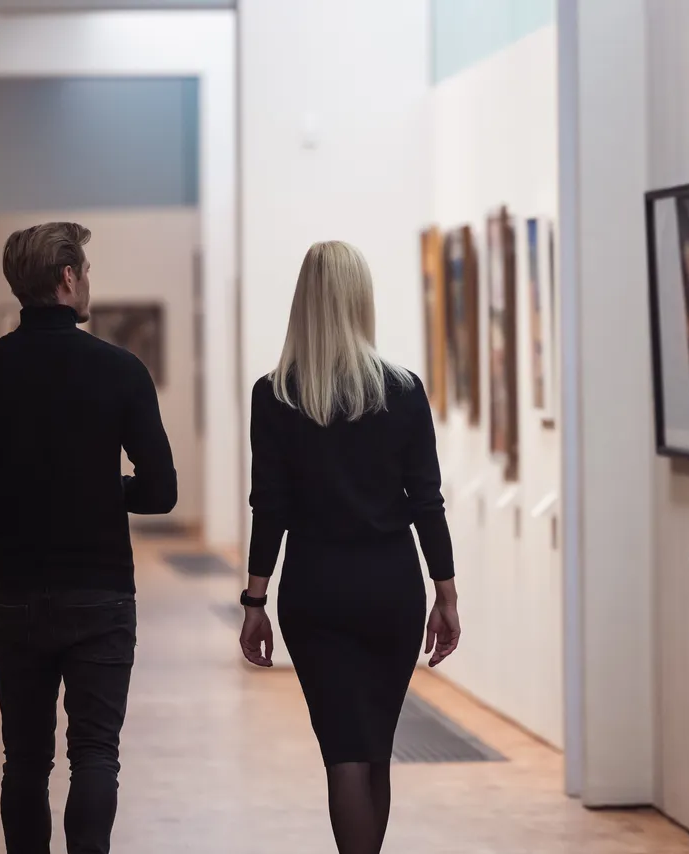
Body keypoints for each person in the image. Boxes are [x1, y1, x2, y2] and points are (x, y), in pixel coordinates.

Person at [0, 222, 177, 854]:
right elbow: (161, 492)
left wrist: (21, 504)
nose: (88, 280)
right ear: (68, 279)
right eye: (86, 270)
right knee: (95, 752)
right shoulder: (121, 371)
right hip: (100, 590)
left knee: (25, 759)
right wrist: (95, 495)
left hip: (19, 590)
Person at [240, 240, 461, 854]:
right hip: (391, 588)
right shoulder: (404, 391)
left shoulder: (275, 394)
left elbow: (271, 508)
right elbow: (427, 502)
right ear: (361, 301)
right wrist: (446, 592)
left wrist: (254, 599)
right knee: (376, 751)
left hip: (315, 591)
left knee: (343, 751)